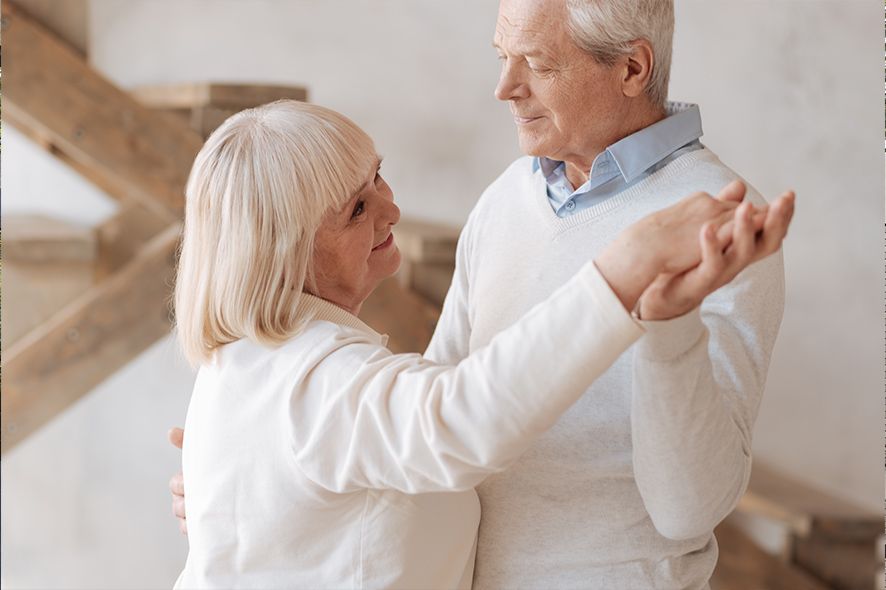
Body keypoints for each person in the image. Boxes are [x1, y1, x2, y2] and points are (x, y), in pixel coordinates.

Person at [168, 98, 791, 589]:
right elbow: (461, 416)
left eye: (379, 175)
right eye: (357, 208)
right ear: (287, 255)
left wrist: (240, 501)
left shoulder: (257, 364)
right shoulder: (318, 381)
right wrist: (622, 272)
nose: (392, 209)